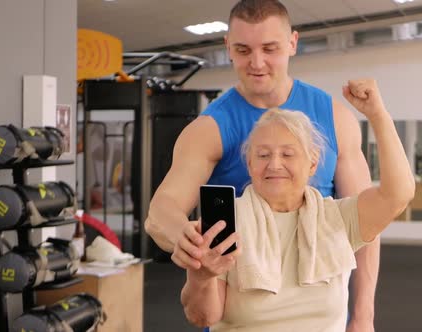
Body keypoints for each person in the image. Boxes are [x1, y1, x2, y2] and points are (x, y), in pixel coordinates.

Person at [144, 1, 382, 330]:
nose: (257, 63)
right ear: (227, 46)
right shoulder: (210, 128)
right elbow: (161, 211)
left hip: (318, 314)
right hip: (245, 314)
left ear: (292, 43)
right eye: (243, 50)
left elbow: (367, 227)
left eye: (270, 49)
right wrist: (185, 239)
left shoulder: (335, 119)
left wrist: (364, 314)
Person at [180, 80, 415, 331]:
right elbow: (203, 317)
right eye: (262, 155)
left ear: (313, 164)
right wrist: (201, 276)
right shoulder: (226, 223)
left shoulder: (338, 218)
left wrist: (378, 115)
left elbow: (398, 194)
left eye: (288, 154)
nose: (274, 164)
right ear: (249, 165)